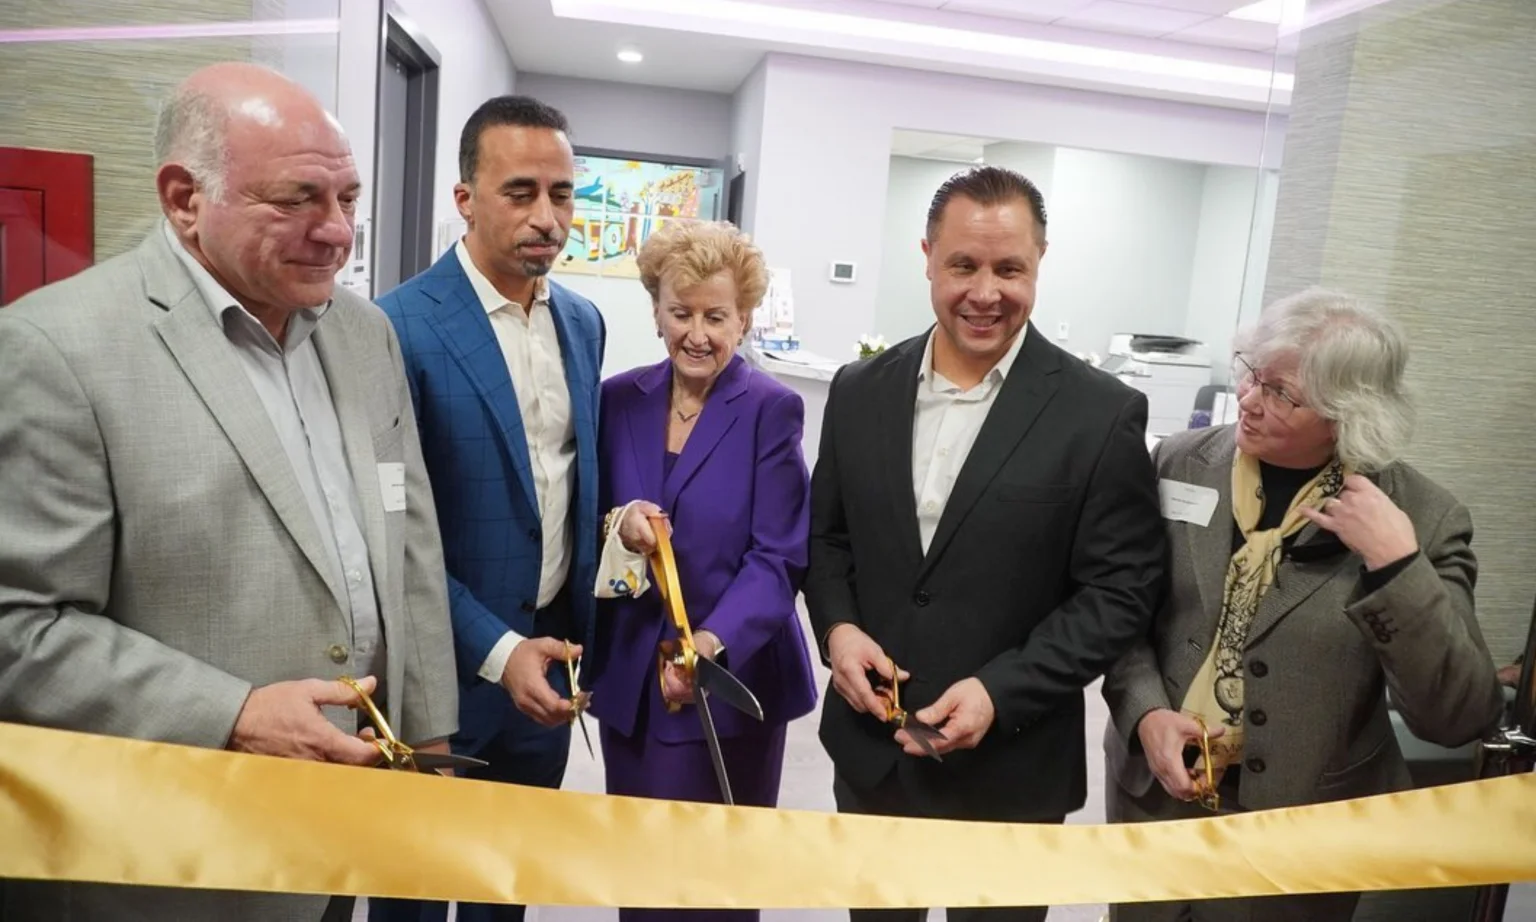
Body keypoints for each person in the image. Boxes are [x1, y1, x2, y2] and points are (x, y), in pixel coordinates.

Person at [0, 62, 457, 922]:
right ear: (184, 198)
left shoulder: (366, 335)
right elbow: (17, 624)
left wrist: (427, 740)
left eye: (348, 198)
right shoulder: (54, 350)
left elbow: (409, 546)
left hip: (341, 824)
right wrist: (231, 712)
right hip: (173, 859)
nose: (337, 232)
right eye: (297, 199)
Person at [804, 165, 1167, 922]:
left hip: (1012, 770)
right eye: (963, 265)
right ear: (927, 257)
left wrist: (1001, 693)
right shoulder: (859, 389)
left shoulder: (1099, 414)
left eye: (1010, 269)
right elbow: (829, 539)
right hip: (874, 758)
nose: (985, 292)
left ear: (1040, 263)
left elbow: (1118, 593)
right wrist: (838, 631)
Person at [1102, 288, 1506, 922]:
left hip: (1303, 836)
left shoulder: (1422, 517)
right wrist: (1146, 714)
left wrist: (1397, 565)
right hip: (1155, 798)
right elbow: (1119, 614)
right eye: (1251, 371)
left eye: (1280, 393)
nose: (1247, 398)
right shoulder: (1180, 464)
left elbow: (1458, 716)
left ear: (1348, 414)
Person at [369, 95, 604, 922]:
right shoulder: (395, 327)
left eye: (562, 194)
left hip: (552, 668)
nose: (547, 217)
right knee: (414, 893)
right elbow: (391, 533)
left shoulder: (583, 323)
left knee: (504, 889)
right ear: (465, 198)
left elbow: (569, 485)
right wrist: (500, 652)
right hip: (439, 674)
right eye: (520, 192)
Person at [589, 220, 817, 922]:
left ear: (743, 319)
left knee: (711, 888)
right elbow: (591, 517)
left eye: (716, 317)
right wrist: (620, 522)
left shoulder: (771, 410)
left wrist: (709, 647)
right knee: (641, 879)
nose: (697, 334)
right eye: (680, 312)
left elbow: (778, 557)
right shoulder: (617, 399)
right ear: (656, 312)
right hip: (634, 681)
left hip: (726, 678)